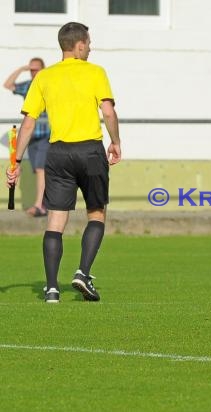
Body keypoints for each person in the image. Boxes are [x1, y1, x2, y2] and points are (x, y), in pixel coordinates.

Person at [5, 22, 122, 303]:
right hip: (90, 151)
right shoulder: (95, 72)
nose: (90, 48)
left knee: (55, 220)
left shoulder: (44, 77)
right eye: (88, 43)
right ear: (79, 45)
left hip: (57, 154)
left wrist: (16, 162)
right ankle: (82, 272)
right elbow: (108, 112)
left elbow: (28, 123)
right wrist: (116, 142)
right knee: (96, 213)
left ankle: (52, 289)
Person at [3, 57, 50, 217]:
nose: (34, 72)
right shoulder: (29, 86)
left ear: (43, 69)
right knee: (37, 170)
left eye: (37, 69)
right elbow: (7, 85)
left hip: (46, 135)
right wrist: (22, 69)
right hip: (31, 136)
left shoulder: (48, 85)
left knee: (41, 169)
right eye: (32, 70)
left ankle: (40, 206)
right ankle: (42, 204)